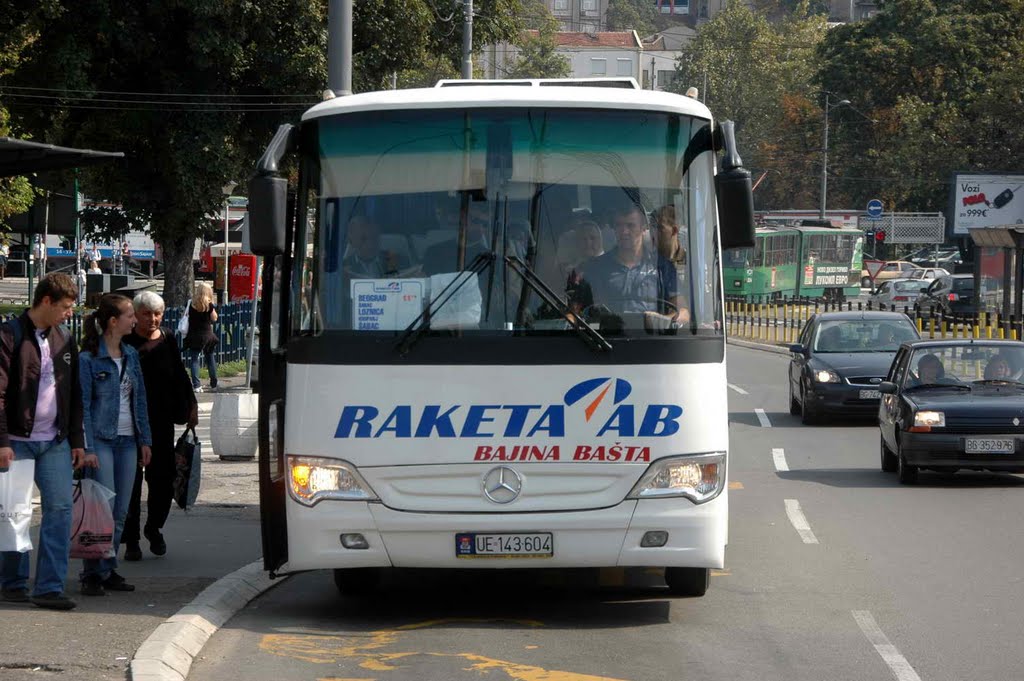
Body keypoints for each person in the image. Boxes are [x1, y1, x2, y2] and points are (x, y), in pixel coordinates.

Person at [0, 273, 87, 610]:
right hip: (17, 441)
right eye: (65, 307)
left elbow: (74, 394)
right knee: (14, 512)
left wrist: (77, 440)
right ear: (46, 301)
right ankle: (12, 582)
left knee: (61, 509)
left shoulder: (65, 340)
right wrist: (2, 440)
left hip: (55, 440)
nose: (70, 313)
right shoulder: (9, 335)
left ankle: (49, 587)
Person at [78, 294, 152, 596]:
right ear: (112, 322)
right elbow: (82, 404)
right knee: (102, 508)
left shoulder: (131, 354)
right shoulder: (88, 358)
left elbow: (140, 399)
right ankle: (91, 573)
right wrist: (87, 447)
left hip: (128, 440)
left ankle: (108, 568)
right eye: (129, 316)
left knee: (121, 510)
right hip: (101, 439)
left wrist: (145, 439)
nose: (134, 320)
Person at [122, 292, 198, 561]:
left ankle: (154, 527)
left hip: (162, 421)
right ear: (136, 314)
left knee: (162, 479)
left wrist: (191, 404)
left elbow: (179, 372)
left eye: (158, 314)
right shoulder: (126, 341)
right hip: (130, 422)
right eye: (147, 314)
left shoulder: (166, 338)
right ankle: (130, 539)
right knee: (130, 481)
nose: (153, 319)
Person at [571, 202, 690, 325]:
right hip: (604, 339)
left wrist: (661, 321)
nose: (624, 231)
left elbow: (683, 312)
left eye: (630, 225)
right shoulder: (596, 267)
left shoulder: (662, 267)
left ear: (644, 228)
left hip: (651, 339)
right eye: (619, 225)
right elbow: (573, 313)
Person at [342, 216, 409, 278]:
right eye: (363, 239)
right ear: (351, 241)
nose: (370, 244)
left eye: (374, 238)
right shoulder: (343, 268)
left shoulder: (394, 260)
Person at [184, 282, 219, 392]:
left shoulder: (191, 303)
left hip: (194, 335)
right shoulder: (209, 305)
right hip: (207, 334)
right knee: (210, 358)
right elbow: (214, 318)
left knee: (194, 359)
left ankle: (196, 385)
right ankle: (214, 383)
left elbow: (186, 317)